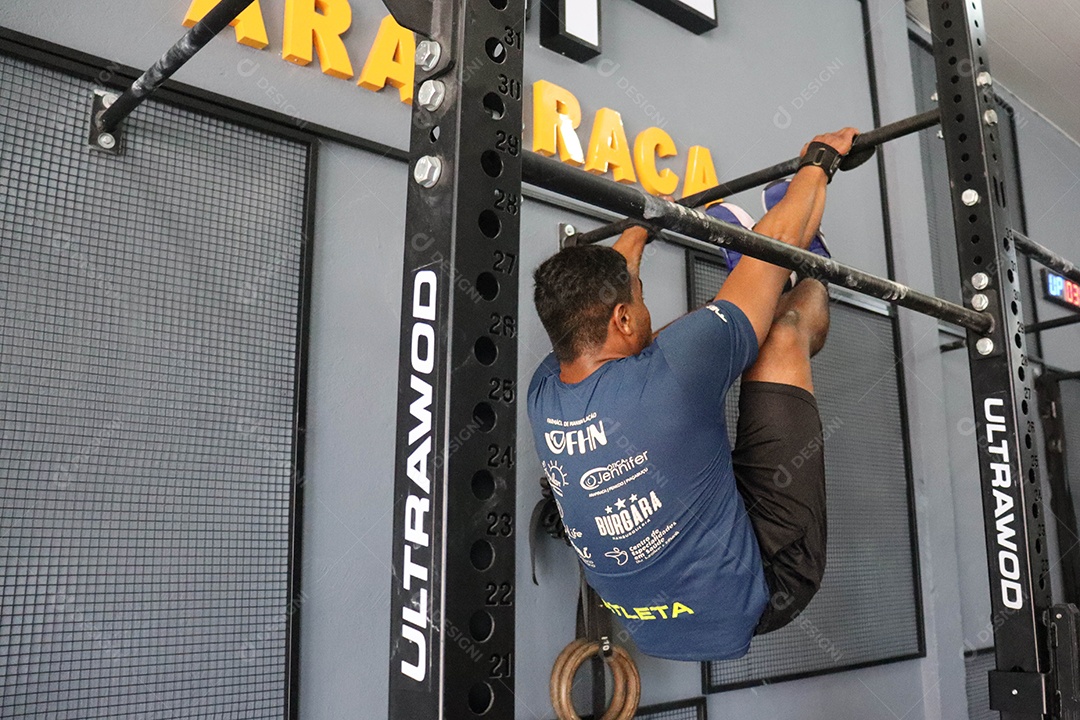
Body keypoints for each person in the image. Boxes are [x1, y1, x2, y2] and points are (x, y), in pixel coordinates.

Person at [527, 128, 858, 661]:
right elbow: (772, 235)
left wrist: (642, 226)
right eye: (638, 298)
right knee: (783, 332)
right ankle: (808, 266)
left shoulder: (542, 390)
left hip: (651, 620)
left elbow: (630, 345)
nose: (643, 304)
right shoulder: (668, 376)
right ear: (622, 316)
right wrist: (819, 162)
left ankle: (746, 299)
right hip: (765, 586)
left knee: (683, 347)